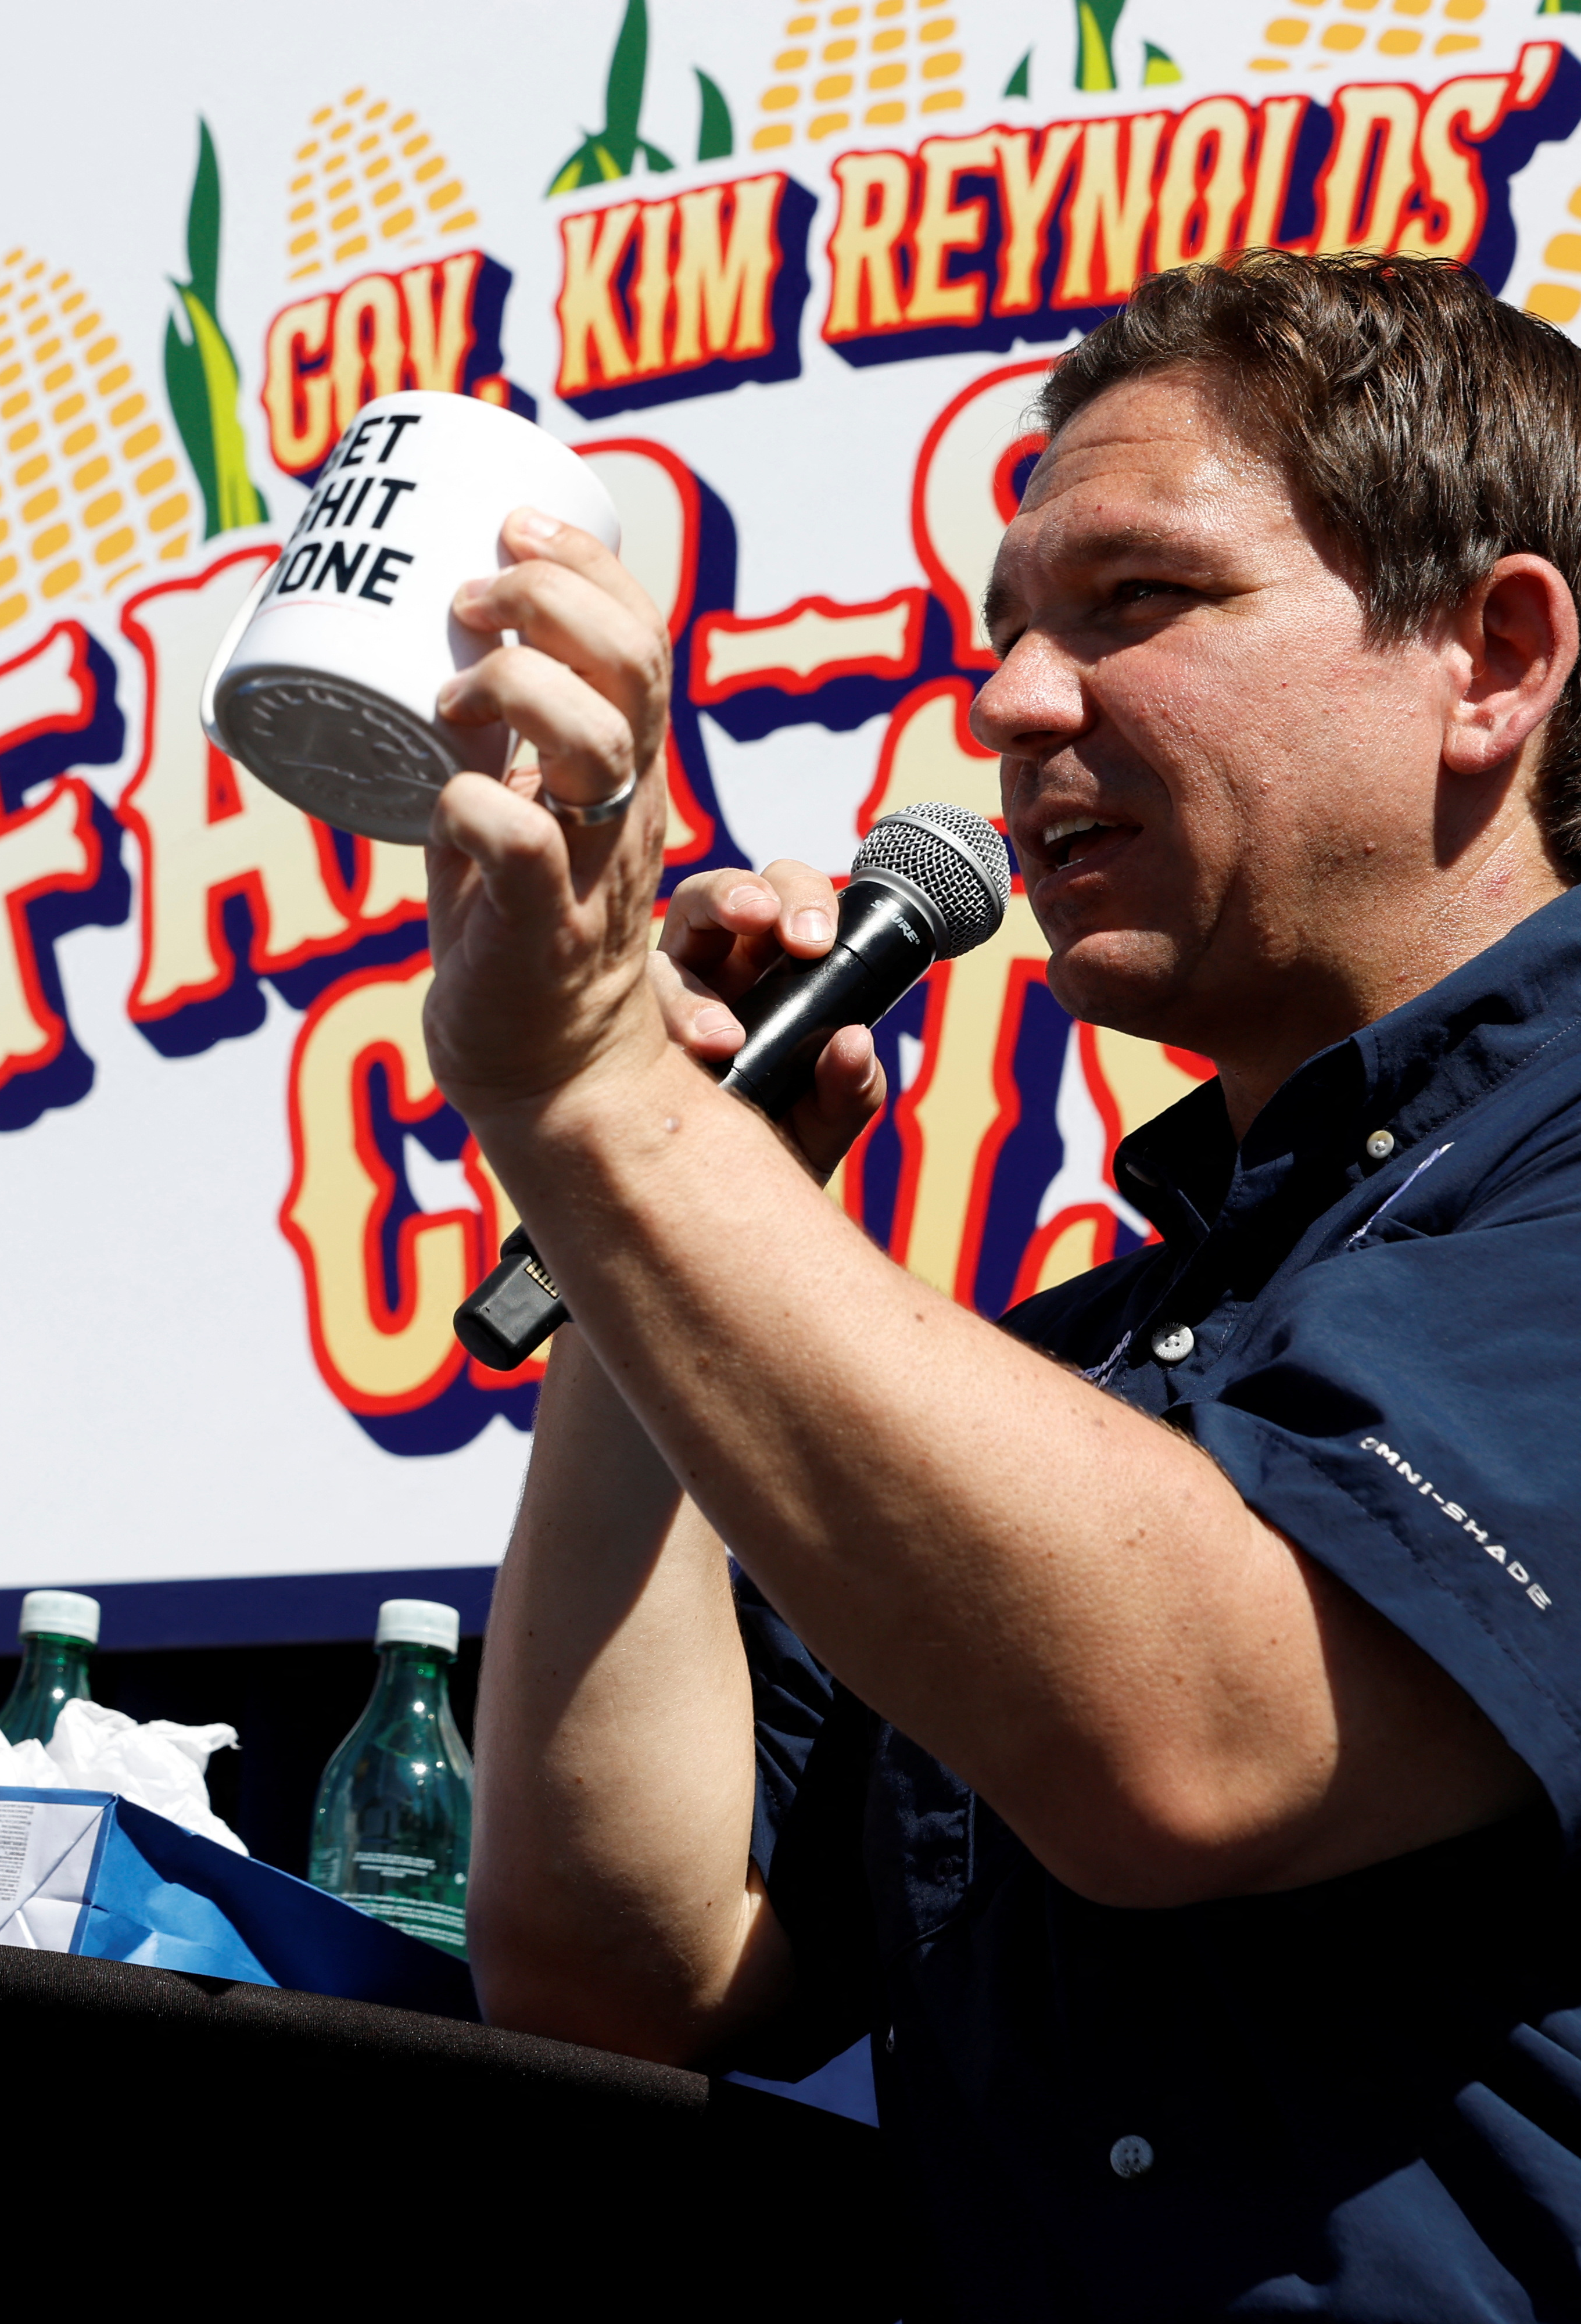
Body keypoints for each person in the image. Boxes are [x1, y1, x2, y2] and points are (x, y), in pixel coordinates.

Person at [442, 252, 1581, 2317]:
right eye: (1009, 634)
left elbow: (1199, 1737)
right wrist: (656, 1217)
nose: (1013, 706)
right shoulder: (1091, 1366)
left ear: (1492, 657)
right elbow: (622, 1965)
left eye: (1137, 603)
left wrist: (607, 1115)